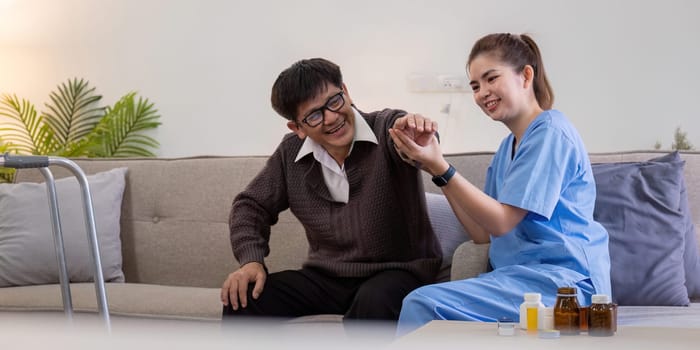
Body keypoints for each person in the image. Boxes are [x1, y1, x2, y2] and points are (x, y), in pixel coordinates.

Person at [389, 33, 612, 335]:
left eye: (491, 78)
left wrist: (441, 165)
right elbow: (484, 233)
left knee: (423, 304)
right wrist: (435, 169)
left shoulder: (551, 134)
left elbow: (503, 221)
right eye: (475, 86)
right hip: (518, 282)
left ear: (526, 76)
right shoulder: (506, 150)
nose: (483, 93)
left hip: (566, 288)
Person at [220, 57, 442, 323]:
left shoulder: (387, 128)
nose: (331, 118)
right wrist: (251, 261)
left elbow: (419, 149)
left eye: (335, 101)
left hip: (399, 272)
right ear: (297, 128)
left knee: (374, 301)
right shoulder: (289, 154)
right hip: (327, 278)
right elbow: (250, 206)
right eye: (314, 116)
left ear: (346, 92)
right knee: (244, 300)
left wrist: (419, 139)